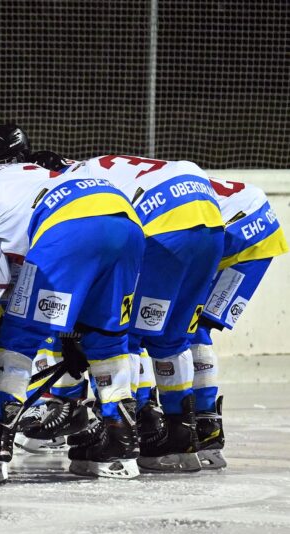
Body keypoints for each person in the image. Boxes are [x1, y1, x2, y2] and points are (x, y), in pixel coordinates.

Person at [0, 149, 146, 481]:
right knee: (107, 337)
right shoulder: (20, 173)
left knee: (17, 337)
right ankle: (120, 441)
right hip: (125, 219)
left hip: (70, 223)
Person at [67, 155, 224, 472]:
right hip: (210, 218)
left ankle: (133, 429)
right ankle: (182, 436)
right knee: (173, 338)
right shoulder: (100, 165)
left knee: (124, 335)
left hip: (163, 224)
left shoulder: (70, 181)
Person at [188, 176, 287, 468]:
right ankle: (206, 426)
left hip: (231, 231)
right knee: (192, 326)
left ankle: (182, 421)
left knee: (179, 325)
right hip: (261, 227)